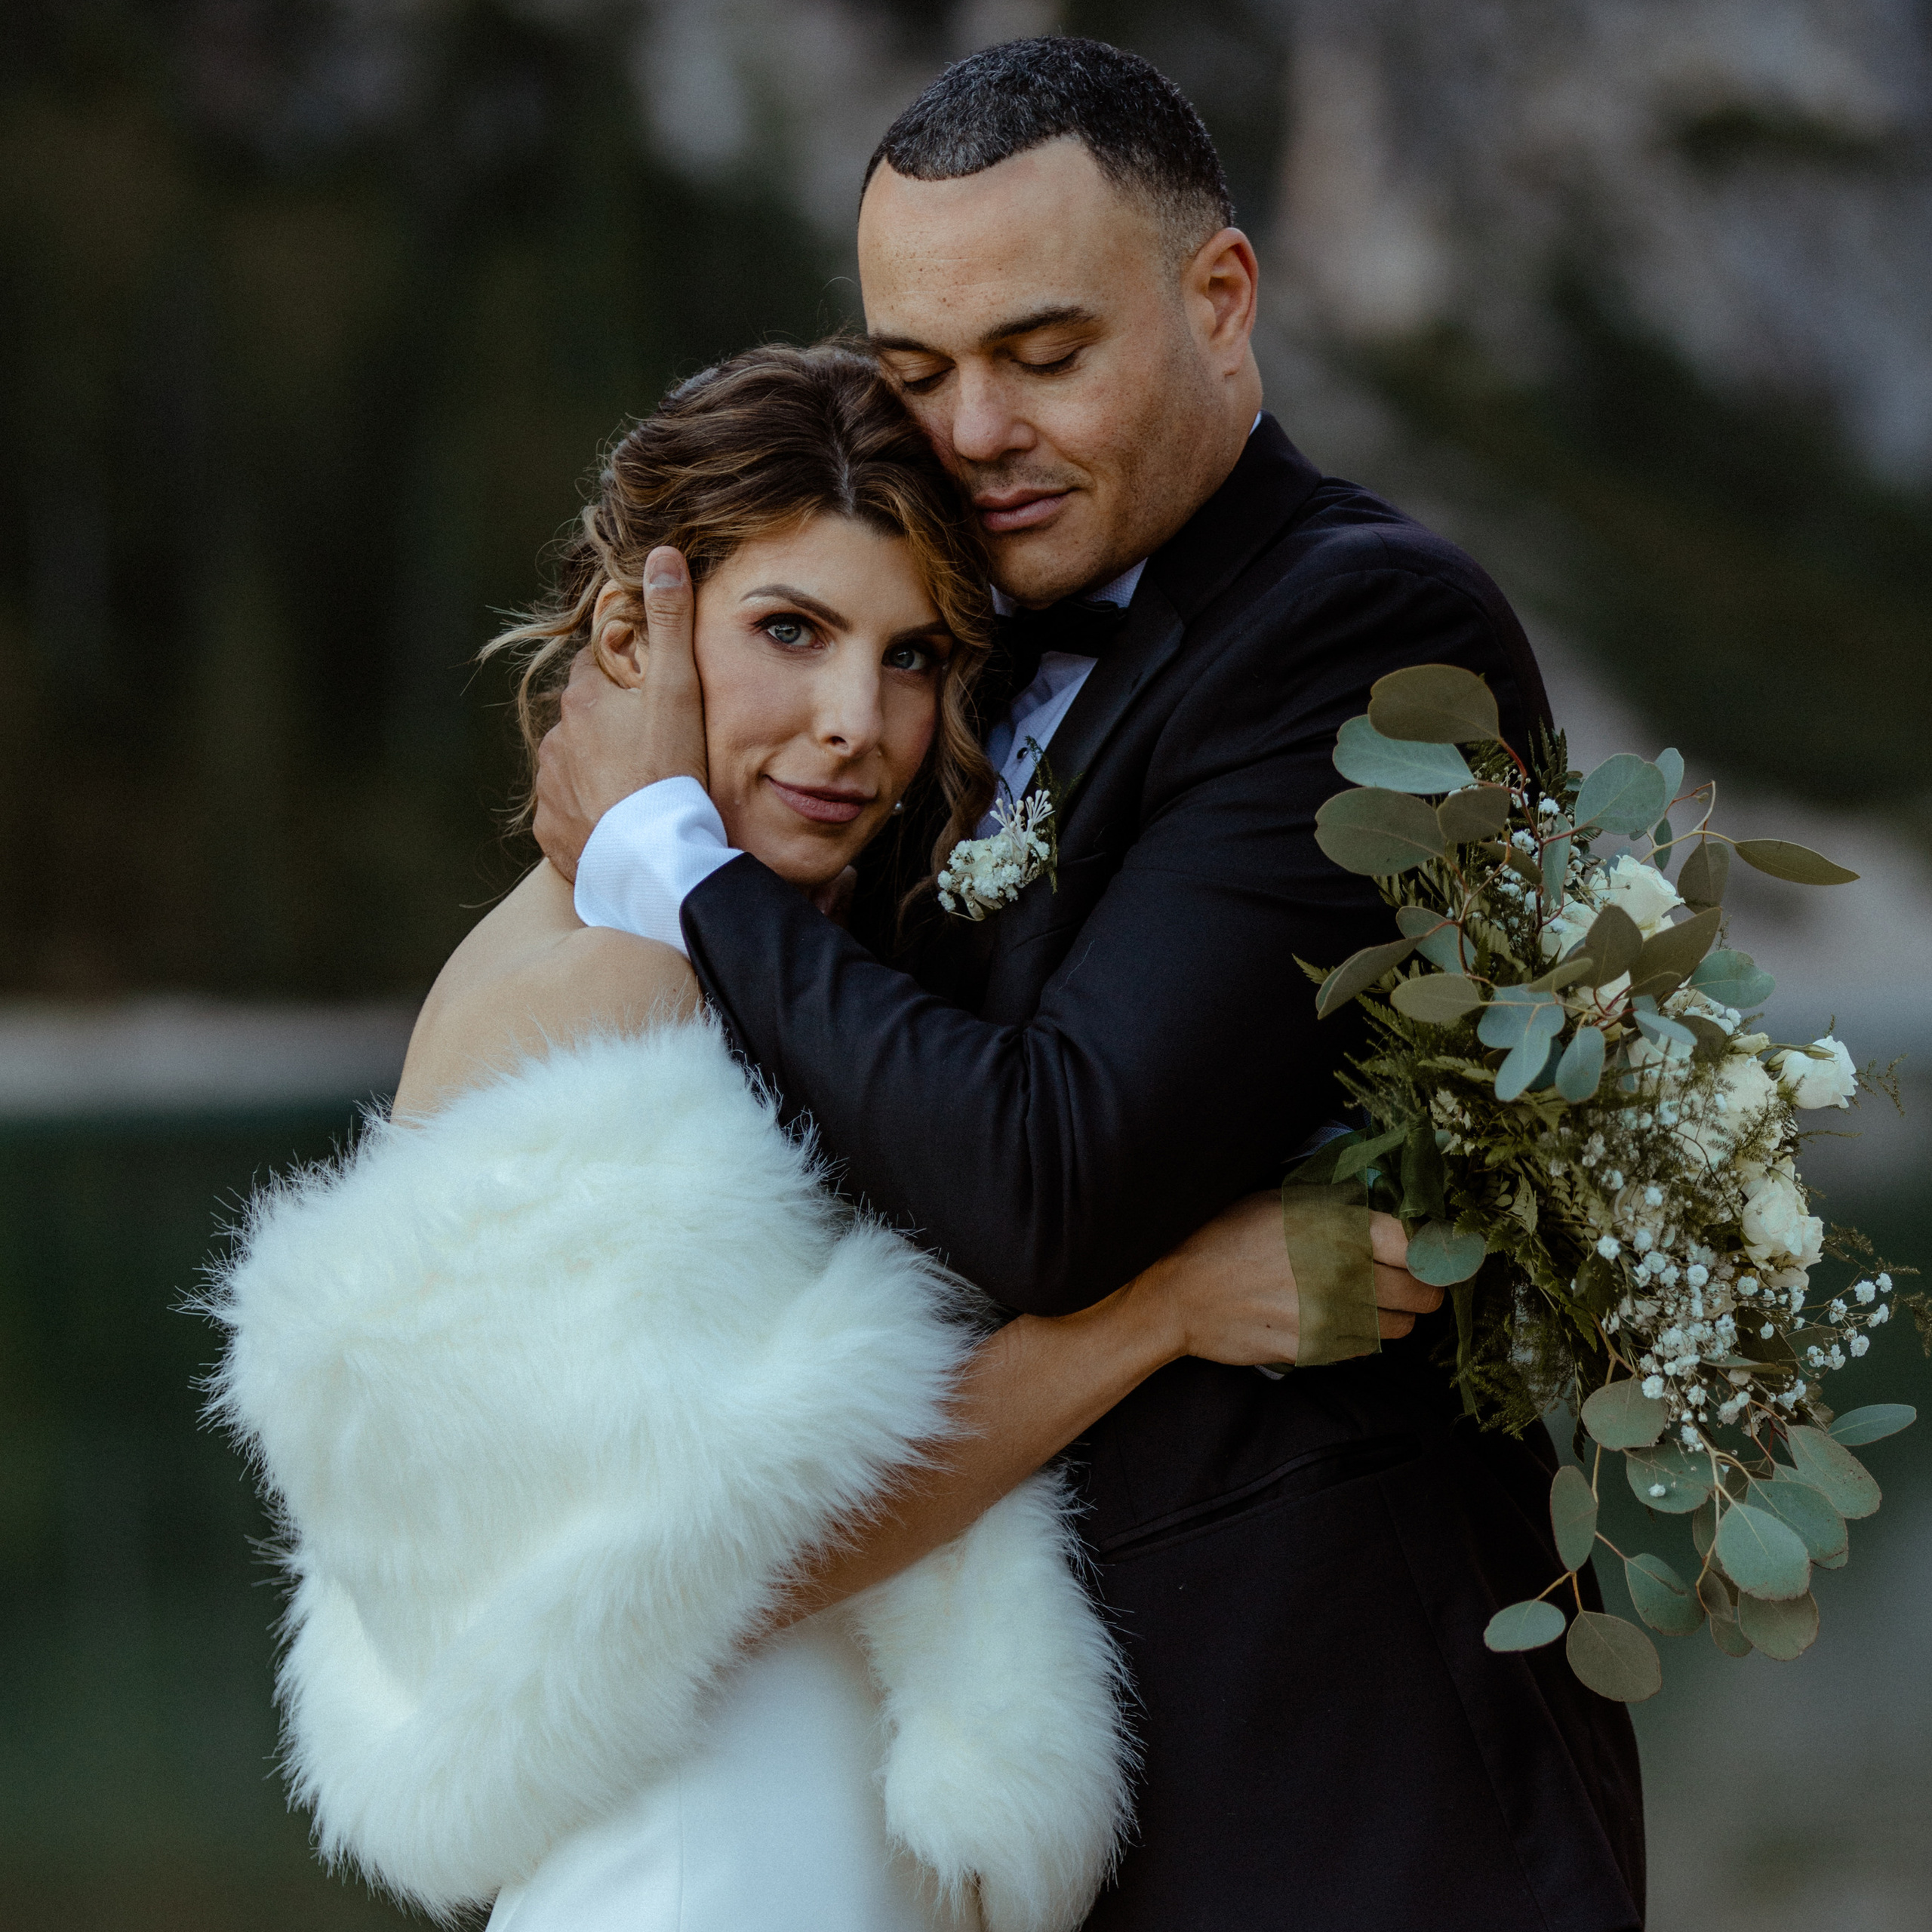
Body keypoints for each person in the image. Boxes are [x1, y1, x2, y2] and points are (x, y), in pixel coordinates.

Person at [533, 38, 1647, 1932]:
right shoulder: (932, 650)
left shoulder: (1365, 634)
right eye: (914, 372)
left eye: (1042, 354)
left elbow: (1046, 1176)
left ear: (1218, 298)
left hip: (1341, 1768)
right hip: (999, 1775)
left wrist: (675, 862)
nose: (969, 432)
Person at [208, 342, 1428, 1932]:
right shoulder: (614, 981)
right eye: (791, 631)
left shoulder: (764, 953)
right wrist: (1162, 1306)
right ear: (634, 633)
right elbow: (706, 1557)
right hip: (707, 1853)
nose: (856, 723)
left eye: (911, 656)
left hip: (806, 1812)